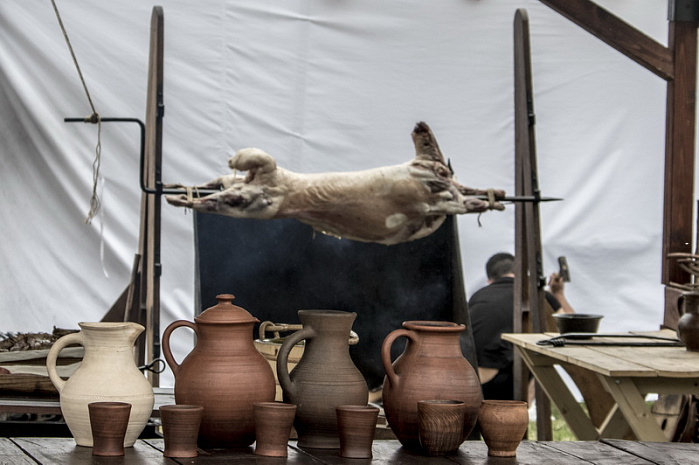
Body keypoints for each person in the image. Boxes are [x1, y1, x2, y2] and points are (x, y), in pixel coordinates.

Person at [468, 252, 574, 400]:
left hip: (470, 381)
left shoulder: (477, 296)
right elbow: (573, 330)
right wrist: (558, 294)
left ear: (489, 280)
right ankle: (525, 409)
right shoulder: (538, 295)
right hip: (507, 386)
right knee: (539, 350)